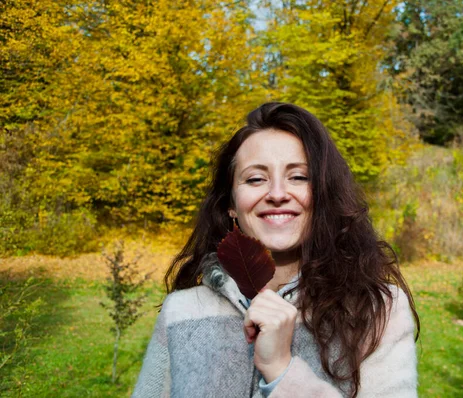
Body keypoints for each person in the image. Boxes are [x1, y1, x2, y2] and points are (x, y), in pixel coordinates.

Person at [132, 102, 420, 398]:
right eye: (256, 178)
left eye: (299, 177)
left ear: (322, 194)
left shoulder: (376, 311)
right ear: (231, 203)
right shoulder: (182, 312)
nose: (278, 194)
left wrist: (282, 371)